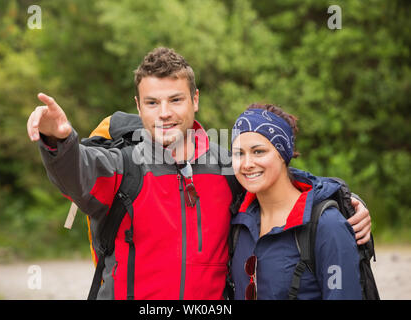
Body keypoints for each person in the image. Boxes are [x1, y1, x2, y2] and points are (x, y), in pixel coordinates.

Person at [26, 47, 371, 300]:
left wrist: (342, 200)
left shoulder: (229, 168)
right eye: (152, 103)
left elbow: (281, 180)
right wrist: (60, 140)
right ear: (137, 105)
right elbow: (79, 173)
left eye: (175, 100)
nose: (164, 113)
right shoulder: (122, 167)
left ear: (195, 100)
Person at [230, 103, 363, 299]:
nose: (247, 164)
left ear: (283, 154)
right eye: (238, 153)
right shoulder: (237, 222)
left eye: (258, 151)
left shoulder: (328, 226)